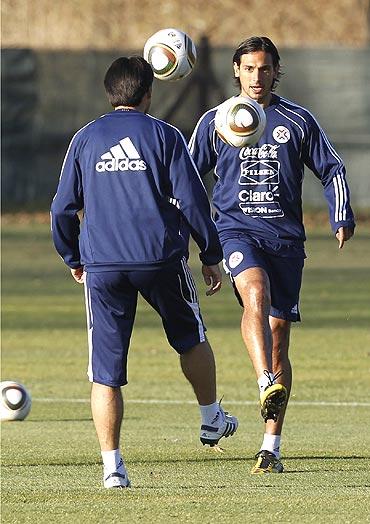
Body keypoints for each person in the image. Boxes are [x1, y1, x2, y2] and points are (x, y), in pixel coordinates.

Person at [51, 56, 238, 489]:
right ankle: (211, 418)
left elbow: (62, 208)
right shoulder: (165, 135)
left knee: (106, 371)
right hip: (161, 260)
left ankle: (113, 467)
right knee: (190, 336)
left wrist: (72, 257)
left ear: (109, 92)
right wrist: (211, 252)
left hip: (104, 265)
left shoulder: (85, 138)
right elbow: (192, 200)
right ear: (148, 94)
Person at [188, 36, 355, 474]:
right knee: (255, 293)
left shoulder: (297, 120)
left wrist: (341, 215)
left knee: (279, 334)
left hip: (286, 242)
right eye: (249, 68)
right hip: (236, 232)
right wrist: (197, 237)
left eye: (265, 68)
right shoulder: (216, 121)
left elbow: (332, 167)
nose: (257, 77)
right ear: (236, 71)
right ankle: (265, 381)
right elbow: (187, 176)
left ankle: (271, 445)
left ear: (275, 71)